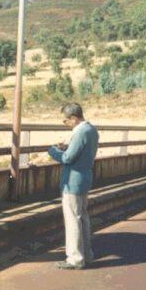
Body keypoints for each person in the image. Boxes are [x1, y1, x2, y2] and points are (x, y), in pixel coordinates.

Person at [48, 103, 99, 270]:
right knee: (83, 217)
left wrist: (53, 151)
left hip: (73, 181)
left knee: (72, 220)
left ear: (74, 118)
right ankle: (87, 255)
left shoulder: (80, 132)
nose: (65, 123)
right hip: (85, 177)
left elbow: (68, 158)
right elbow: (80, 151)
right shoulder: (91, 130)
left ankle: (75, 259)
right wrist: (67, 148)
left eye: (65, 120)